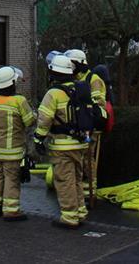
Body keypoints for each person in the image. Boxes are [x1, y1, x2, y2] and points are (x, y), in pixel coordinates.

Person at [34, 54, 90, 229]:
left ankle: (69, 217)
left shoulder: (53, 93)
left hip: (62, 145)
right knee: (77, 179)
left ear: (53, 73)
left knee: (64, 181)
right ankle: (80, 212)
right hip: (80, 143)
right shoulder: (80, 88)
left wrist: (38, 139)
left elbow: (44, 119)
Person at [0, 66, 35, 221]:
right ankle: (11, 210)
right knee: (11, 178)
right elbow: (29, 121)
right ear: (11, 83)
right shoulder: (19, 101)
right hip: (12, 151)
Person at [63, 48, 108, 204]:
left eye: (72, 64)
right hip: (77, 127)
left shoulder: (93, 79)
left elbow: (98, 104)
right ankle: (79, 191)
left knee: (88, 159)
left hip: (91, 126)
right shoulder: (73, 79)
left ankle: (90, 190)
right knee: (78, 159)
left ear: (79, 63)